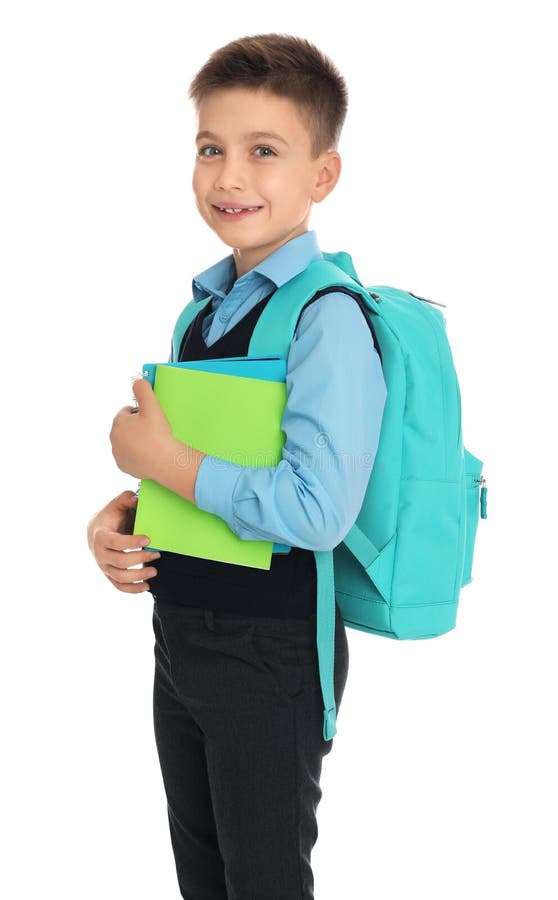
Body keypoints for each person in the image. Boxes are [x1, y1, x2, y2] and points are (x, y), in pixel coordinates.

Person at [87, 33, 387, 900]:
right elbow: (194, 476)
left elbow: (316, 510)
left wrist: (171, 461)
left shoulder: (327, 317)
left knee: (262, 883)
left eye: (265, 152)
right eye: (211, 149)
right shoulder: (202, 314)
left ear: (321, 175)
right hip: (180, 636)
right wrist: (125, 518)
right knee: (205, 878)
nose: (230, 177)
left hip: (273, 651)